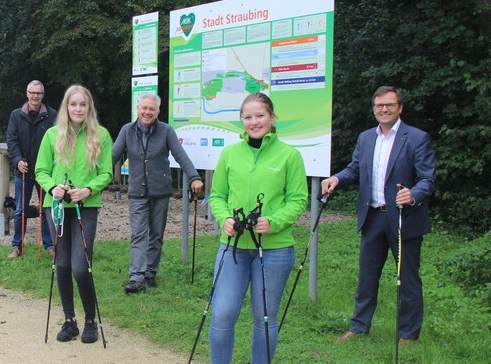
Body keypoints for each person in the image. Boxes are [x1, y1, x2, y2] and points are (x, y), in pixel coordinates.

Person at [322, 86, 436, 346]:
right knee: (367, 276)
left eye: (389, 105)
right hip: (372, 217)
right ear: (373, 108)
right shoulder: (365, 138)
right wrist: (337, 178)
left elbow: (428, 179)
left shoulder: (417, 138)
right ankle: (359, 326)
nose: (384, 109)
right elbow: (355, 169)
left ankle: (408, 335)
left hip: (403, 219)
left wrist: (413, 194)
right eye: (379, 105)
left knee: (406, 278)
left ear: (400, 108)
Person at [208, 93, 308, 364]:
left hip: (274, 249)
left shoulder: (290, 155)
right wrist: (224, 218)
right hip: (233, 247)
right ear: (241, 120)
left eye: (260, 115)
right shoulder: (229, 154)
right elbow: (217, 196)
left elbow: (299, 199)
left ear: (272, 118)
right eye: (248, 117)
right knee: (222, 313)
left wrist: (273, 222)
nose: (254, 122)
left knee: (264, 316)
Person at [35, 85, 113, 344]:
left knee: (81, 267)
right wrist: (52, 187)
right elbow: (41, 170)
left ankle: (90, 318)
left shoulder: (100, 135)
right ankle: (70, 320)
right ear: (66, 107)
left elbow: (106, 173)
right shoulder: (51, 135)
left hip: (85, 207)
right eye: (73, 104)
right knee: (63, 264)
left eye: (83, 104)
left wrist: (88, 190)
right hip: (56, 206)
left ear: (89, 107)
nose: (78, 109)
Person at [111, 94, 203, 293]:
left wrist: (194, 177)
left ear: (158, 111)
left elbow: (180, 155)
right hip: (137, 192)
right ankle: (136, 277)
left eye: (152, 109)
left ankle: (150, 273)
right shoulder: (127, 130)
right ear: (138, 108)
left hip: (160, 191)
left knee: (156, 235)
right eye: (144, 108)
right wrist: (91, 178)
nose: (147, 112)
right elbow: (112, 155)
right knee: (138, 234)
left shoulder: (166, 131)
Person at [6, 80, 57, 258]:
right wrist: (18, 160)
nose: (35, 96)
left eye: (39, 93)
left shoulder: (52, 115)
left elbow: (57, 142)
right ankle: (16, 245)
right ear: (27, 94)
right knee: (20, 209)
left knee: (47, 209)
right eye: (32, 92)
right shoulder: (16, 115)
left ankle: (49, 244)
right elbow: (11, 141)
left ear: (43, 95)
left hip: (46, 173)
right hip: (23, 171)